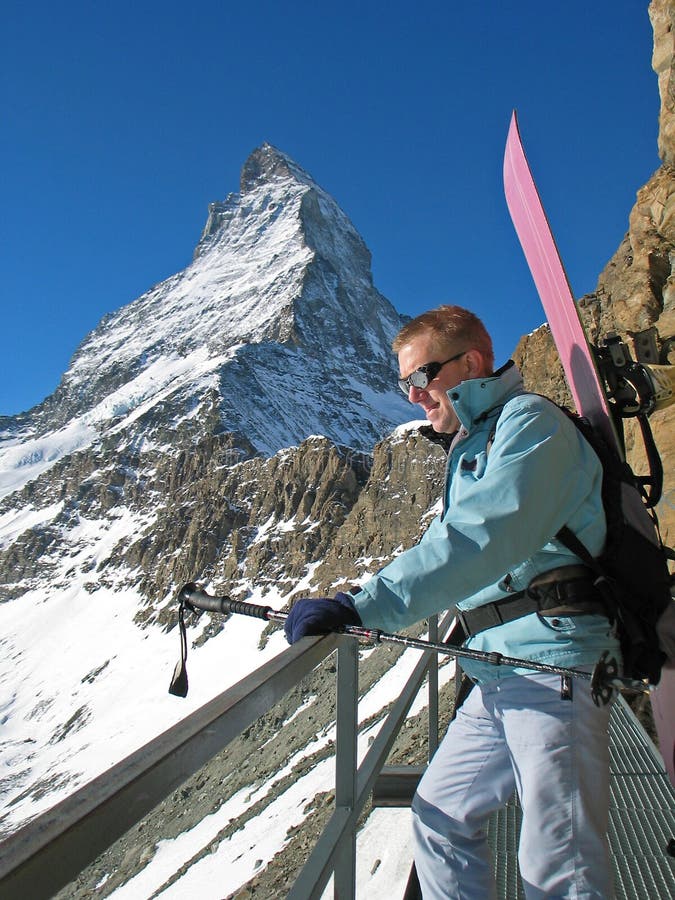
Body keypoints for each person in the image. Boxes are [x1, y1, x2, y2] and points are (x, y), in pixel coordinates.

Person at [284, 304, 619, 898]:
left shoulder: (530, 426)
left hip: (552, 665)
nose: (413, 395)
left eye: (423, 377)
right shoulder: (475, 443)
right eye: (404, 383)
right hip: (498, 671)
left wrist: (363, 605)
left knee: (558, 863)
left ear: (473, 363)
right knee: (438, 817)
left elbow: (477, 541)